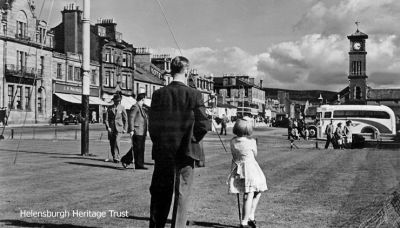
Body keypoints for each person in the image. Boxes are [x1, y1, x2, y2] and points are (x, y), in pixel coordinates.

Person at [148, 56, 210, 228]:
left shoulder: (158, 94)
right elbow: (204, 124)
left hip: (163, 150)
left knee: (160, 192)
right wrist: (191, 139)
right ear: (187, 71)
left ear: (171, 70)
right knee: (182, 193)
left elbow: (152, 125)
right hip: (186, 150)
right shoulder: (194, 94)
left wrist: (160, 142)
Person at [228, 117, 268, 228]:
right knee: (251, 193)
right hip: (250, 169)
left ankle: (250, 216)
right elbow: (255, 154)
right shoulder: (251, 142)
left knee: (256, 191)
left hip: (239, 169)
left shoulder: (232, 141)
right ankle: (245, 221)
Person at [121, 92, 148, 169]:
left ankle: (137, 163)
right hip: (137, 130)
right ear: (142, 99)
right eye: (144, 99)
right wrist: (132, 129)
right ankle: (130, 161)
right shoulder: (135, 107)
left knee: (139, 148)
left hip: (142, 131)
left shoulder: (141, 107)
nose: (145, 101)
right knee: (137, 148)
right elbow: (131, 118)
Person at [104, 94, 127, 163]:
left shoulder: (122, 108)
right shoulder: (109, 108)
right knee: (112, 143)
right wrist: (108, 127)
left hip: (119, 128)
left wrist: (125, 128)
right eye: (116, 101)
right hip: (111, 128)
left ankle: (118, 157)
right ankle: (114, 156)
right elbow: (106, 119)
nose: (117, 102)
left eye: (119, 101)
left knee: (117, 141)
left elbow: (125, 119)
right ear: (114, 101)